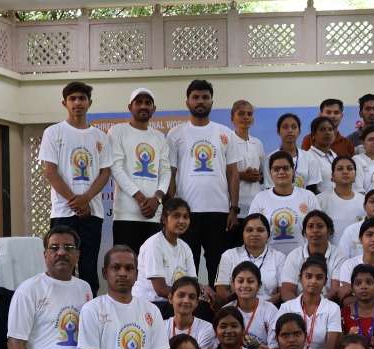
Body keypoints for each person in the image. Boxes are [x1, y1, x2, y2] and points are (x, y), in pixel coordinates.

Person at [40, 81, 111, 291]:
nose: (77, 103)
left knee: (89, 267)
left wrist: (86, 199)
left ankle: (89, 307)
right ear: (65, 103)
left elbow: (105, 172)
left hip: (92, 212)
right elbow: (50, 172)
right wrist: (76, 202)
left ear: (90, 102)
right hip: (63, 212)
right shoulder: (53, 132)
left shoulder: (100, 137)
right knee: (61, 267)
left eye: (82, 98)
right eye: (72, 99)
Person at [166, 79, 237, 283]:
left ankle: (219, 303)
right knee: (187, 266)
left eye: (205, 97)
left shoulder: (225, 133)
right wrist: (170, 209)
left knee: (218, 266)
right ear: (187, 102)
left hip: (219, 211)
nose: (200, 101)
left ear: (211, 102)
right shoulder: (175, 134)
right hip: (186, 213)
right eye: (195, 97)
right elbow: (171, 173)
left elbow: (233, 173)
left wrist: (233, 209)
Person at [108, 87, 174, 256]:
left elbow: (165, 170)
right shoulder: (118, 131)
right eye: (138, 102)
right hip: (126, 215)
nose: (143, 106)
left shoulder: (159, 137)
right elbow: (116, 168)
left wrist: (157, 199)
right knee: (126, 264)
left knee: (152, 266)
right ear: (130, 107)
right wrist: (141, 198)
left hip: (154, 215)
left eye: (148, 103)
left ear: (154, 108)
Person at [249, 151, 318, 255]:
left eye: (285, 168)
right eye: (276, 169)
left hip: (302, 258)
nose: (281, 172)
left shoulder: (308, 196)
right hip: (270, 260)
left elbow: (317, 229)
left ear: (293, 171)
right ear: (270, 173)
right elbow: (251, 231)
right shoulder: (260, 198)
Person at [278, 255, 342, 349]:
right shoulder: (286, 307)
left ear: (325, 281)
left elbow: (330, 348)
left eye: (319, 277)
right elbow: (280, 343)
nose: (313, 281)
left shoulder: (333, 308)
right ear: (300, 279)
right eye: (308, 276)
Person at [138, 198, 197, 310]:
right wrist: (187, 297)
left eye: (185, 217)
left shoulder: (185, 247)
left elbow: (192, 283)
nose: (182, 221)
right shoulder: (154, 244)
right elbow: (160, 290)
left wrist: (202, 291)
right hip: (152, 304)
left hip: (174, 302)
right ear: (164, 219)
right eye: (176, 216)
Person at [214, 213, 282, 303]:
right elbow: (221, 290)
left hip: (270, 307)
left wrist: (262, 307)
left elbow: (282, 292)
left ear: (268, 235)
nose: (254, 234)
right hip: (235, 308)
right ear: (242, 234)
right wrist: (243, 306)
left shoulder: (279, 257)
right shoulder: (229, 255)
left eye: (260, 230)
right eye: (249, 230)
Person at [225, 98, 265, 251]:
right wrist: (241, 175)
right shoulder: (227, 141)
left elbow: (263, 174)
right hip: (234, 209)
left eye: (249, 114)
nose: (246, 117)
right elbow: (222, 173)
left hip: (255, 208)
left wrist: (258, 176)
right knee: (234, 251)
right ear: (232, 117)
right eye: (241, 113)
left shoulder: (258, 143)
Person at [165, 277, 216, 349]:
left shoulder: (207, 328)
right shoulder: (161, 327)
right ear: (170, 298)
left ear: (197, 302)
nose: (186, 300)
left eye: (192, 297)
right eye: (181, 295)